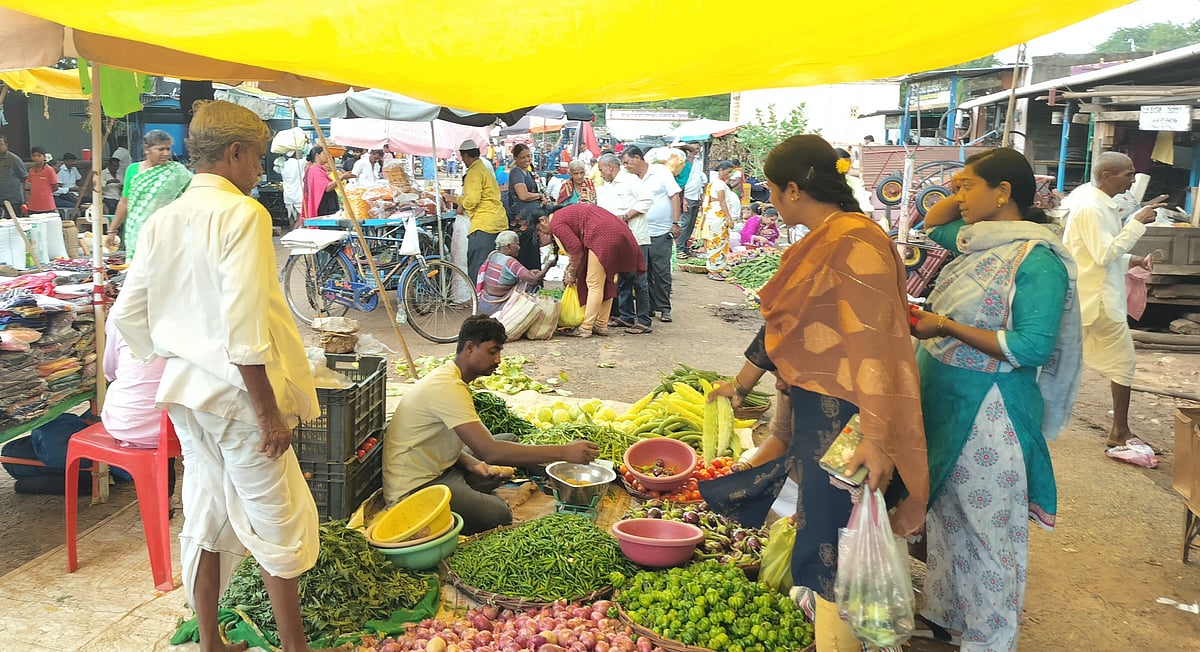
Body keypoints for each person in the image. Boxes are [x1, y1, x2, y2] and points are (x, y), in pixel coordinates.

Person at [112, 99, 326, 652]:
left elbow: (127, 315)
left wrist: (183, 353)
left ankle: (210, 643)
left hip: (187, 396)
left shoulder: (163, 218)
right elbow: (244, 328)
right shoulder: (243, 215)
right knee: (279, 529)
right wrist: (266, 413)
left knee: (207, 516)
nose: (260, 171)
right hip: (238, 401)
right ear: (233, 154)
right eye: (257, 159)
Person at [707, 134, 928, 650]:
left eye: (771, 189)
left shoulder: (855, 242)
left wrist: (875, 434)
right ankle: (839, 635)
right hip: (820, 411)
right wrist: (740, 386)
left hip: (851, 417)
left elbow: (874, 344)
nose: (771, 199)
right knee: (824, 535)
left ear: (791, 189)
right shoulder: (829, 239)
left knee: (833, 541)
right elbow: (789, 323)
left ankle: (843, 640)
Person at [910, 148, 1082, 650]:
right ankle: (947, 617)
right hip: (946, 394)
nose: (955, 196)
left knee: (988, 528)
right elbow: (931, 218)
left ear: (1003, 192)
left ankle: (990, 638)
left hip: (992, 408)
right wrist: (963, 182)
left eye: (967, 187)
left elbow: (1031, 346)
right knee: (946, 512)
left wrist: (942, 325)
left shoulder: (1037, 259)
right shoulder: (976, 240)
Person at [382, 315, 598, 534]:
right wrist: (563, 452)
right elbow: (490, 452)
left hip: (441, 465)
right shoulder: (447, 386)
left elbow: (438, 439)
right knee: (498, 515)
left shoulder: (451, 377)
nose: (498, 360)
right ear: (469, 348)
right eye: (493, 351)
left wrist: (470, 463)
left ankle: (467, 487)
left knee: (509, 440)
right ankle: (465, 492)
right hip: (416, 489)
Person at [1062, 152, 1167, 449]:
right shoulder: (1092, 208)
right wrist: (1137, 223)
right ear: (1107, 176)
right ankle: (1119, 430)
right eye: (1127, 174)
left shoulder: (1098, 206)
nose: (1133, 179)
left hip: (1091, 299)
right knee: (1122, 364)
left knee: (1057, 361)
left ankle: (1118, 429)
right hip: (1097, 301)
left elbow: (1097, 254)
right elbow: (1103, 255)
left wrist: (1131, 258)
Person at [534, 203, 646, 338]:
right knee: (606, 281)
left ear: (543, 220)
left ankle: (586, 327)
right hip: (618, 233)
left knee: (594, 283)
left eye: (539, 230)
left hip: (603, 237)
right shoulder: (565, 214)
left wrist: (572, 272)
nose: (542, 233)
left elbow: (575, 248)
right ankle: (601, 324)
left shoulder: (556, 222)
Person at [101, 317, 177, 511]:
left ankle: (158, 504)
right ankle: (164, 502)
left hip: (128, 424)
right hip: (179, 428)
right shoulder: (186, 311)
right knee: (165, 412)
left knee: (151, 409)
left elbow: (109, 371)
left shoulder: (120, 315)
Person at [107, 130, 192, 259]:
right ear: (147, 149)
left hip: (165, 231)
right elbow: (125, 202)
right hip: (136, 230)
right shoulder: (133, 170)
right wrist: (112, 230)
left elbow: (194, 193)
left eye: (168, 149)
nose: (166, 153)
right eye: (161, 149)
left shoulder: (177, 171)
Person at [621, 146, 681, 322]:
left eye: (628, 162)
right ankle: (648, 308)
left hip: (661, 231)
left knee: (661, 271)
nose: (626, 166)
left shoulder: (660, 172)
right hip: (638, 232)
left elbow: (675, 196)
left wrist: (675, 223)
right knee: (642, 272)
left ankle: (664, 308)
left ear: (638, 158)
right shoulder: (629, 178)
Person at [596, 153, 653, 334]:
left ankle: (643, 321)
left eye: (601, 170)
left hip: (635, 236)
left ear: (610, 167)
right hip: (617, 239)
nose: (600, 174)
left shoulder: (630, 181)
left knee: (638, 279)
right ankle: (626, 316)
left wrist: (626, 217)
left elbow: (646, 200)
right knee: (623, 279)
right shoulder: (607, 185)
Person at [458, 139, 508, 284]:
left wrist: (457, 200)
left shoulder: (474, 172)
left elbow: (472, 201)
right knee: (496, 268)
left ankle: (477, 301)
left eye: (463, 157)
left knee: (478, 267)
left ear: (466, 156)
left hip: (484, 225)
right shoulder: (485, 170)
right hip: (498, 222)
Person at [475, 230, 547, 315]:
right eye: (517, 244)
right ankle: (519, 313)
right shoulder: (511, 262)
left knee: (525, 277)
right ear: (508, 246)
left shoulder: (493, 254)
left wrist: (530, 272)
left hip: (485, 303)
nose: (519, 248)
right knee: (530, 284)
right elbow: (534, 279)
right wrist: (548, 266)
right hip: (496, 306)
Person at [703, 160, 737, 280]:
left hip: (716, 215)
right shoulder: (719, 185)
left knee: (720, 242)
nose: (729, 175)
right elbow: (723, 202)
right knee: (717, 242)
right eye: (728, 172)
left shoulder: (716, 183)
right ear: (721, 170)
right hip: (718, 216)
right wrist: (729, 219)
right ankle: (713, 270)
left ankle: (718, 268)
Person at [303, 146, 348, 223]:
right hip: (325, 207)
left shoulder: (318, 170)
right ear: (317, 155)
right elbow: (327, 188)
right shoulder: (315, 170)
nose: (327, 156)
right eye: (324, 153)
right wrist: (342, 177)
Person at [506, 144, 546, 226]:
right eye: (522, 157)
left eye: (528, 156)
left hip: (531, 213)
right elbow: (523, 195)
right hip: (522, 215)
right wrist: (540, 196)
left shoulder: (528, 173)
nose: (526, 159)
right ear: (515, 158)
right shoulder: (516, 172)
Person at [679, 145, 707, 256]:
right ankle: (680, 248)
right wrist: (684, 198)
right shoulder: (684, 164)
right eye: (693, 148)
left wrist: (701, 195)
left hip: (696, 196)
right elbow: (683, 181)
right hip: (688, 196)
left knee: (691, 224)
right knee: (685, 223)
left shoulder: (698, 162)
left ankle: (685, 247)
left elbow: (699, 179)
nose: (696, 150)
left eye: (697, 148)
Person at [25, 146, 60, 214]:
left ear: (44, 157)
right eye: (34, 156)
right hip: (33, 206)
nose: (36, 158)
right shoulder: (31, 171)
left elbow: (55, 187)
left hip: (47, 205)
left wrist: (45, 192)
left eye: (39, 156)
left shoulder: (49, 170)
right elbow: (29, 186)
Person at [0, 134, 27, 211]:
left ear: (6, 145)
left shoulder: (14, 159)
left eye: (0, 144)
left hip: (13, 200)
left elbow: (24, 177)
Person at [279, 151, 305, 229]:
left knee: (291, 217)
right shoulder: (300, 163)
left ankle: (291, 231)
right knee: (300, 217)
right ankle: (295, 233)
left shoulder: (283, 164)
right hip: (298, 195)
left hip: (288, 196)